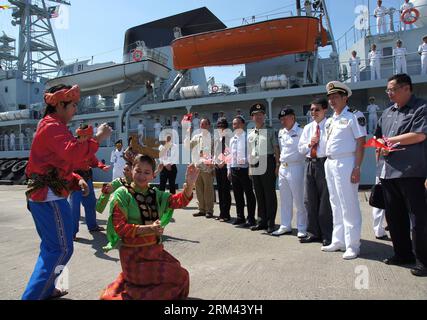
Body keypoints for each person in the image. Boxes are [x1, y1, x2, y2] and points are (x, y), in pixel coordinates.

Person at [22, 84, 111, 300]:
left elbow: (57, 164)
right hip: (49, 198)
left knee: (53, 248)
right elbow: (72, 155)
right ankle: (32, 296)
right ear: (60, 104)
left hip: (45, 195)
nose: (75, 110)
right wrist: (97, 138)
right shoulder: (52, 126)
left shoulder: (52, 126)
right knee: (60, 249)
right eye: (73, 105)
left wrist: (76, 179)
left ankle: (48, 288)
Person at [100, 155, 200, 300]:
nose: (141, 176)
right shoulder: (122, 195)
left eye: (146, 172)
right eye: (138, 171)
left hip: (154, 252)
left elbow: (178, 201)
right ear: (131, 171)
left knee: (180, 274)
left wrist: (190, 185)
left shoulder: (155, 194)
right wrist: (149, 229)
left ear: (153, 175)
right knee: (178, 278)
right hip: (133, 257)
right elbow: (120, 228)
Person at [375, 73, 427, 277]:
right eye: (387, 90)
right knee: (395, 218)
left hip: (411, 173)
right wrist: (381, 146)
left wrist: (389, 141)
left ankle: (423, 261)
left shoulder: (421, 108)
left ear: (407, 88)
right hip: (388, 173)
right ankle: (402, 253)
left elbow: (420, 135)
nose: (389, 93)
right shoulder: (387, 112)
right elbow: (378, 137)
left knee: (419, 219)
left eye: (392, 89)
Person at [321, 81, 366, 260]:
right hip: (330, 163)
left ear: (345, 98)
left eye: (335, 97)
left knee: (349, 204)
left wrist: (357, 167)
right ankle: (338, 240)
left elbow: (361, 142)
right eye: (330, 97)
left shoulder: (354, 116)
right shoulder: (330, 120)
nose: (332, 100)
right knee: (335, 203)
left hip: (346, 162)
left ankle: (353, 245)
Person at [298, 98, 333, 246]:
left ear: (325, 110)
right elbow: (300, 149)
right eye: (311, 110)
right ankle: (313, 232)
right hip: (309, 164)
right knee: (309, 200)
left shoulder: (330, 125)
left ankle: (327, 234)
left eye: (317, 109)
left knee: (325, 201)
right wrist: (309, 143)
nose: (313, 112)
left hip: (323, 163)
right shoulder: (307, 128)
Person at [70, 124, 111, 239]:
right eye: (88, 136)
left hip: (87, 177)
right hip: (75, 179)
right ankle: (72, 232)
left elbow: (93, 160)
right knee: (74, 208)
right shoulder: (72, 146)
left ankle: (92, 226)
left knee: (90, 203)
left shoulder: (88, 144)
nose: (89, 138)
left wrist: (102, 166)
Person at [273, 108, 307, 238]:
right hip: (283, 167)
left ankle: (302, 227)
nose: (283, 121)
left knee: (299, 199)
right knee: (285, 199)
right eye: (281, 119)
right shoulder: (282, 132)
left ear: (292, 117)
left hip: (296, 167)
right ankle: (285, 225)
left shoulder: (301, 131)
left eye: (285, 118)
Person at [247, 103, 280, 234]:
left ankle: (271, 223)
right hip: (255, 163)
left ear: (264, 116)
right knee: (259, 193)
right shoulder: (250, 134)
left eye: (261, 115)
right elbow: (250, 151)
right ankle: (261, 221)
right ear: (252, 118)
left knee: (269, 194)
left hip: (267, 161)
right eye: (256, 115)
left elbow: (276, 148)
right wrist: (250, 167)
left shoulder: (270, 130)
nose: (258, 117)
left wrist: (277, 165)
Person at [227, 115, 256, 227]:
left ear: (243, 124)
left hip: (245, 169)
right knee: (238, 195)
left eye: (238, 123)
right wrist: (228, 169)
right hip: (234, 170)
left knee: (249, 194)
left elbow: (251, 154)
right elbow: (229, 155)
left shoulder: (247, 137)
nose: (236, 126)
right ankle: (240, 217)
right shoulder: (232, 139)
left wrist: (248, 166)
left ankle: (251, 218)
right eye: (234, 124)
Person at [185, 118, 215, 218]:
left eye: (205, 124)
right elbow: (187, 146)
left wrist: (213, 164)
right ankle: (201, 209)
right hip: (197, 167)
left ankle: (209, 210)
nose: (203, 126)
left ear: (209, 126)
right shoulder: (196, 137)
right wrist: (187, 134)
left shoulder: (212, 138)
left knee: (208, 190)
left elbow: (215, 153)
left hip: (207, 167)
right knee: (199, 189)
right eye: (202, 124)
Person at [213, 117, 232, 222]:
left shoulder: (229, 138)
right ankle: (221, 213)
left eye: (222, 126)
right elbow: (215, 152)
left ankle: (226, 214)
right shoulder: (217, 139)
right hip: (218, 167)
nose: (221, 128)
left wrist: (223, 162)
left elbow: (229, 152)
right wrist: (216, 162)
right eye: (219, 126)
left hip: (225, 167)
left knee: (226, 191)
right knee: (220, 190)